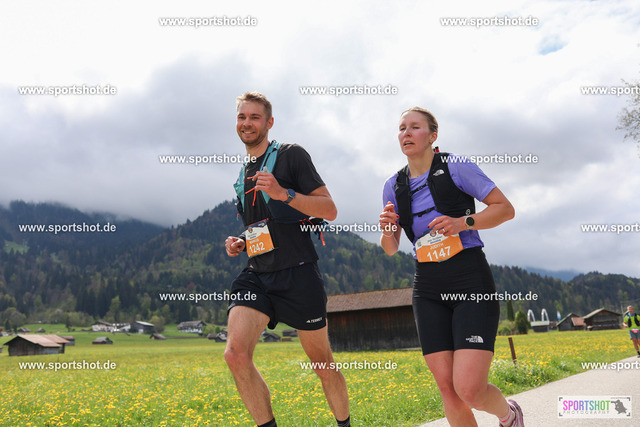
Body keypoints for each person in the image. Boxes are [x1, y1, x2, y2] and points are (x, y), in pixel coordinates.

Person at [378, 107, 521, 426]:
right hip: (428, 288)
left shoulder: (456, 166)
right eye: (401, 128)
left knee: (469, 389)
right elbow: (390, 248)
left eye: (415, 127)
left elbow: (505, 209)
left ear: (432, 135)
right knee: (448, 390)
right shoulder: (393, 185)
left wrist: (463, 222)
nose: (406, 133)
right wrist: (387, 230)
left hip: (470, 280)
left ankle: (509, 415)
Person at [224, 91, 350, 427]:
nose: (247, 123)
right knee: (235, 355)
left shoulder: (291, 155)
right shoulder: (243, 173)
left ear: (269, 122)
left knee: (322, 364)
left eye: (254, 117)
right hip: (258, 273)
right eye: (241, 117)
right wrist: (241, 242)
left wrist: (283, 193)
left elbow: (329, 210)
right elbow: (264, 226)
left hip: (298, 272)